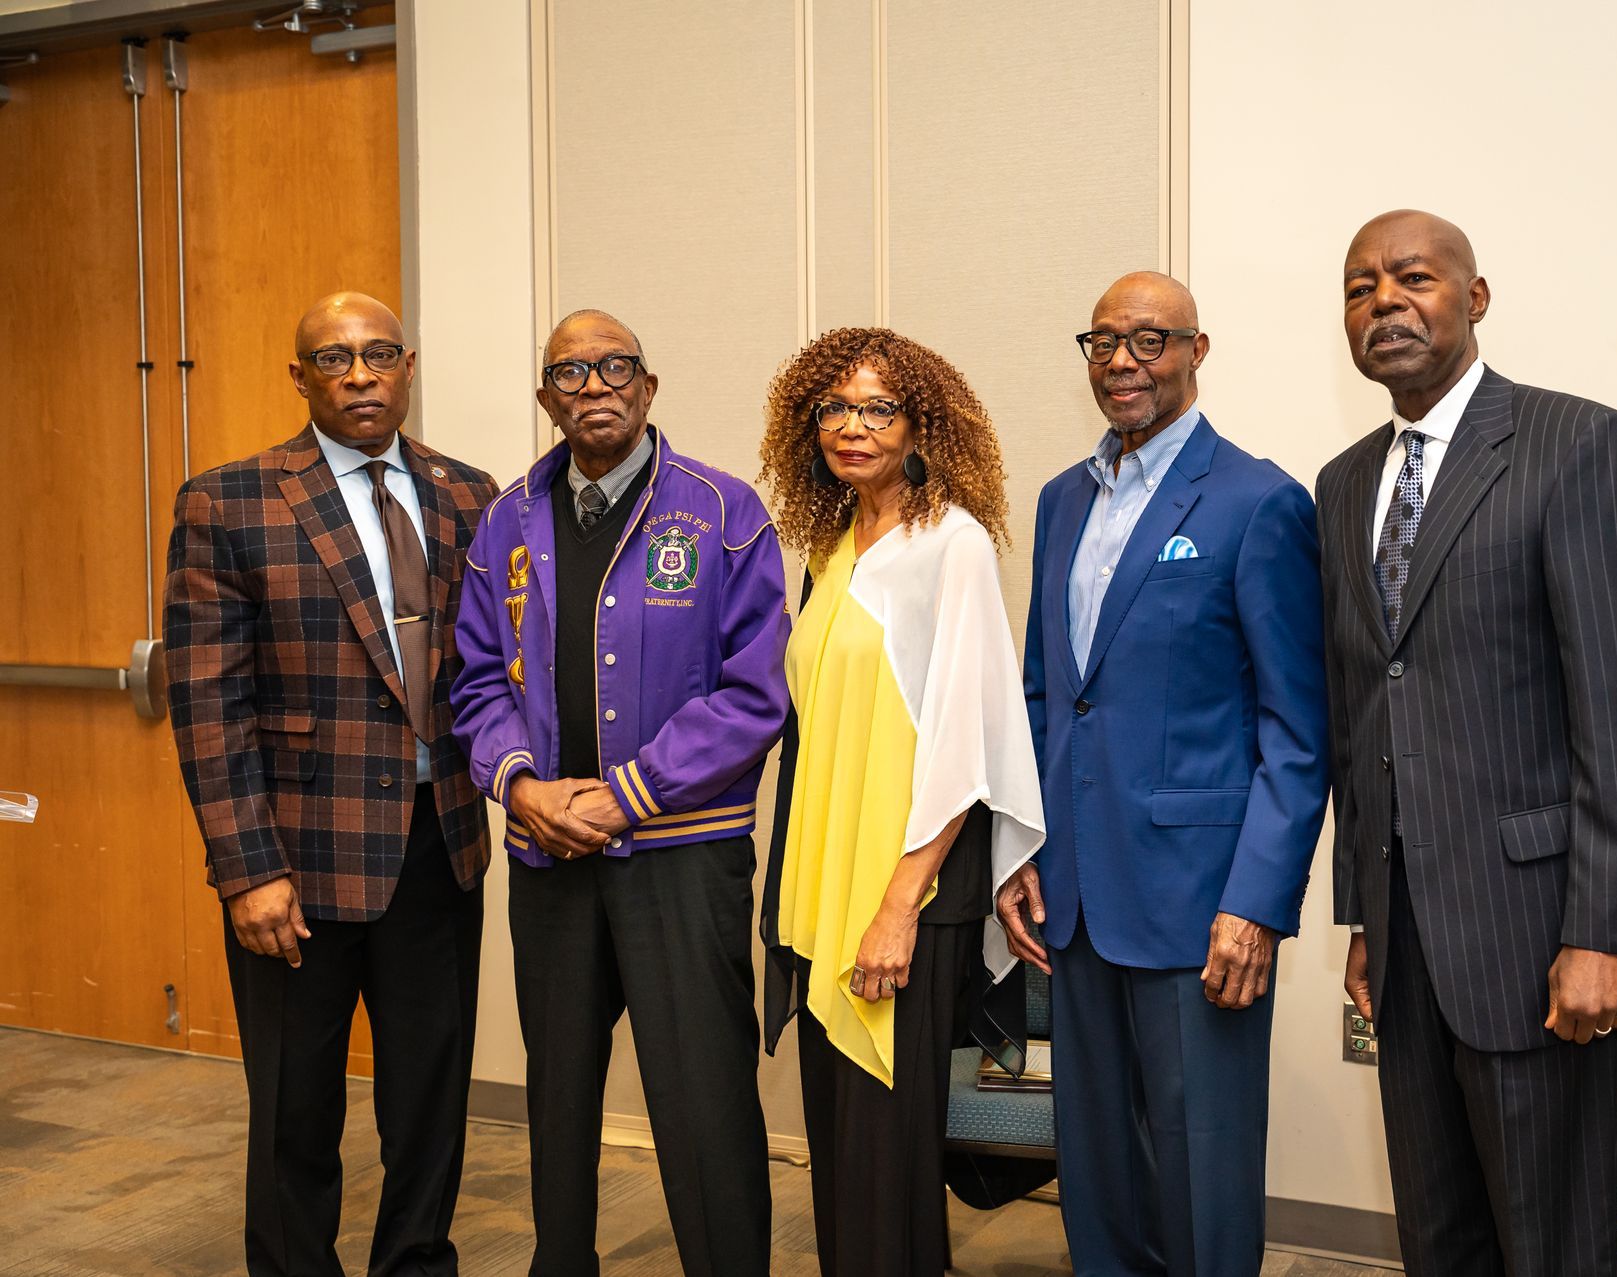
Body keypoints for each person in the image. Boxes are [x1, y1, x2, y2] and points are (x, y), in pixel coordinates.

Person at [1316, 210, 1617, 1276]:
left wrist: (1605, 931)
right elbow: (1360, 712)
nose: (1384, 301)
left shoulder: (1577, 443)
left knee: (1550, 1246)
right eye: (1360, 287)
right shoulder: (1344, 485)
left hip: (1539, 938)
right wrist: (1365, 912)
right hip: (1407, 945)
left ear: (1474, 298)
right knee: (1438, 1239)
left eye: (1413, 278)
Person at [994, 272, 1329, 1276]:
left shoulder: (1259, 501)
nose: (1122, 362)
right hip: (1076, 897)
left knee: (1201, 1172)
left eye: (1149, 340)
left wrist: (1257, 904)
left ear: (1196, 350)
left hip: (1200, 905)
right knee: (1096, 1169)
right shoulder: (1061, 500)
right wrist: (1022, 849)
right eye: (1103, 341)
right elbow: (1046, 694)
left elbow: (1297, 730)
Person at [164, 292, 496, 1277]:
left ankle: (415, 1263)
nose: (360, 375)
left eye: (379, 354)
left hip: (439, 845)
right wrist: (246, 868)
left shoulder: (469, 494)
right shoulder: (229, 501)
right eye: (334, 357)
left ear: (408, 365)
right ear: (300, 376)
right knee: (294, 1108)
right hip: (296, 862)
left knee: (430, 1100)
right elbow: (208, 700)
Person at [451, 309, 789, 1277]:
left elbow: (755, 693)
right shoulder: (506, 521)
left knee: (704, 1098)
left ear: (648, 385)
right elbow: (478, 679)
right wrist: (520, 785)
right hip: (548, 854)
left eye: (614, 367)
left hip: (683, 857)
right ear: (546, 396)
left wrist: (629, 794)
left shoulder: (723, 512)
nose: (593, 385)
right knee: (558, 1096)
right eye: (570, 372)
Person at [756, 327, 1044, 1276]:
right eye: (834, 408)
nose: (853, 426)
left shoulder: (951, 543)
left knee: (888, 1155)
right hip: (828, 887)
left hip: (907, 892)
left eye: (878, 407)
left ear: (922, 423)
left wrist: (896, 906)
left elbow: (967, 744)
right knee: (841, 1147)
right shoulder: (830, 546)